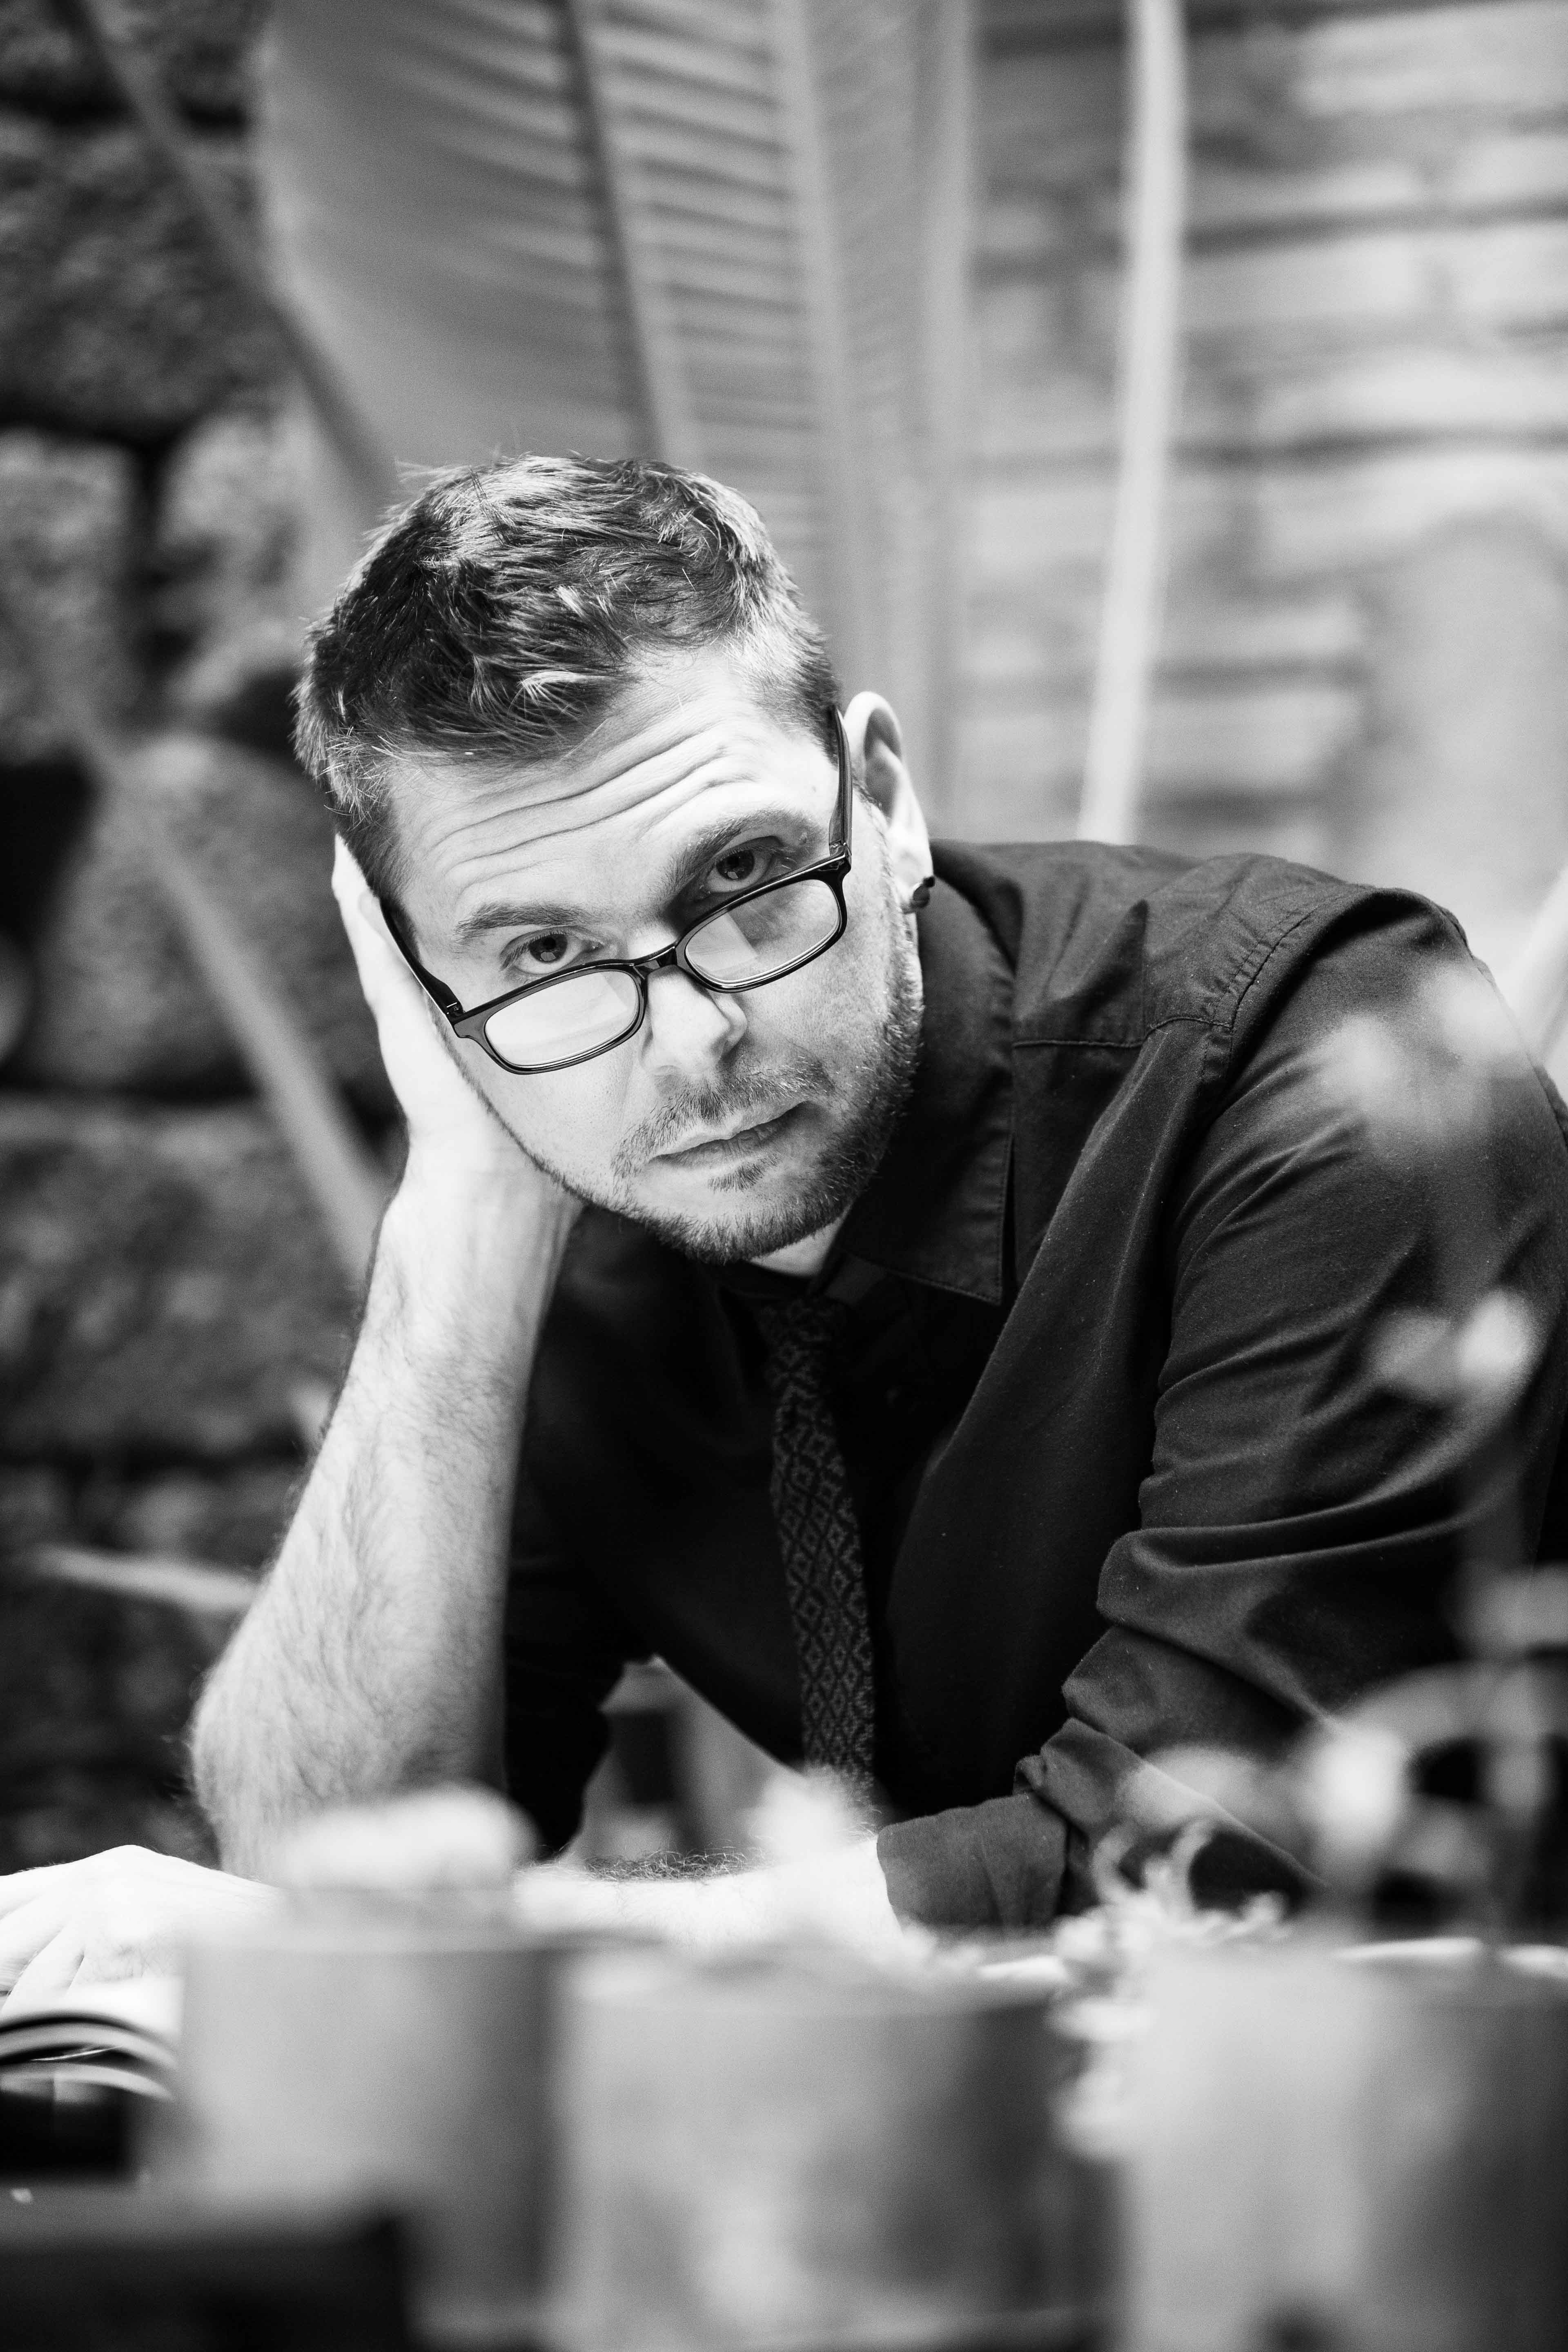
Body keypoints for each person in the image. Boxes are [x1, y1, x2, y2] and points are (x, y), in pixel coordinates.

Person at [4, 455, 1568, 2000]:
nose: (693, 1047)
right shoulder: (563, 1184)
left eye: (744, 877)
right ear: (422, 982)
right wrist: (461, 1213)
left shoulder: (1311, 1059)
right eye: (540, 951)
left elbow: (1208, 1851)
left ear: (880, 798)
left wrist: (525, 1943)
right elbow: (327, 1866)